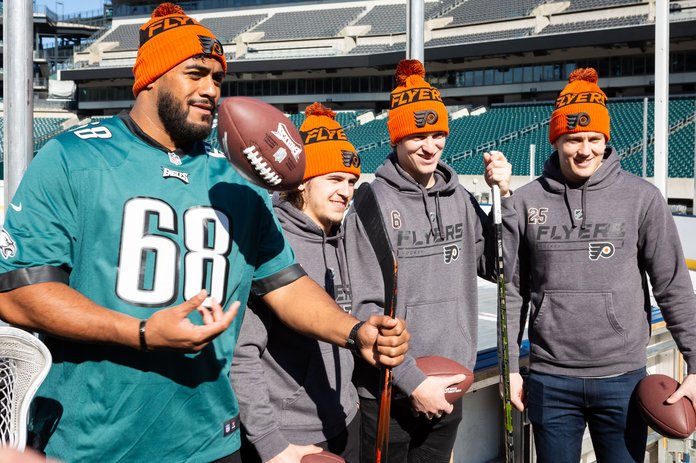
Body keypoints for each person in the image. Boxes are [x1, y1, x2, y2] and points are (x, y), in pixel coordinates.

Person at [0, 5, 408, 463]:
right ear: (151, 76)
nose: (211, 90)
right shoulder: (73, 157)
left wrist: (354, 333)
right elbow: (18, 294)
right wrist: (141, 331)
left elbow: (284, 284)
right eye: (196, 74)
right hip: (94, 443)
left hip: (210, 440)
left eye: (217, 79)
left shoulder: (235, 180)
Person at [502, 67, 696, 462]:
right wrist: (510, 368)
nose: (585, 149)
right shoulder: (524, 201)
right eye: (573, 139)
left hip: (622, 378)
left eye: (594, 139)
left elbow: (672, 285)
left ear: (606, 140)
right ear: (556, 140)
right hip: (550, 379)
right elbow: (513, 291)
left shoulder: (642, 198)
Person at [344, 59, 512, 463]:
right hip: (388, 389)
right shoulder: (371, 204)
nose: (430, 145)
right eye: (418, 135)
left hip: (450, 381)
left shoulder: (460, 198)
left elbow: (498, 266)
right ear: (397, 138)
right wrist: (413, 382)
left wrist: (503, 199)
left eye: (438, 134)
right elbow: (362, 308)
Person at [232, 103, 362, 463]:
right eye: (335, 179)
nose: (346, 191)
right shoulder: (271, 242)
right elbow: (242, 355)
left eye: (352, 181)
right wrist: (270, 440)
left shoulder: (343, 237)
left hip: (344, 417)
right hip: (290, 437)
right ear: (303, 180)